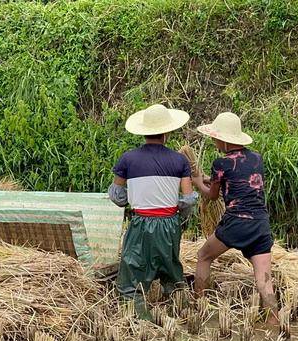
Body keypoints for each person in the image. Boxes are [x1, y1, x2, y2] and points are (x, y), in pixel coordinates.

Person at [109, 104, 198, 315]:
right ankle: (183, 312)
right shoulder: (180, 160)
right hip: (169, 223)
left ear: (144, 131)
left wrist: (129, 204)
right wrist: (179, 219)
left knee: (133, 271)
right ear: (166, 132)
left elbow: (116, 194)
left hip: (141, 223)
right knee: (171, 269)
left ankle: (140, 322)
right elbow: (188, 199)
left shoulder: (128, 159)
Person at [191, 112, 279, 325]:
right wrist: (209, 179)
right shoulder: (257, 158)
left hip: (236, 223)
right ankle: (274, 324)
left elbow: (212, 195)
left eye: (215, 138)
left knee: (203, 256)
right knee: (264, 281)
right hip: (260, 224)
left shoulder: (221, 162)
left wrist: (195, 181)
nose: (214, 141)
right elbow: (238, 180)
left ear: (223, 140)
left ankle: (199, 307)